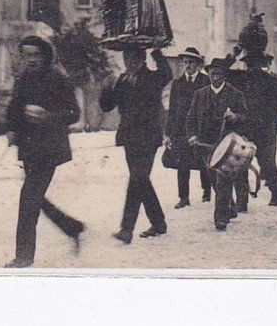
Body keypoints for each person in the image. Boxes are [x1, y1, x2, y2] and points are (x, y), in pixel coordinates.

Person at [5, 36, 85, 267]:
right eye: (26, 55)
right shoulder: (23, 79)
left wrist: (48, 116)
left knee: (28, 199)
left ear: (45, 56)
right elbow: (14, 109)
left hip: (49, 148)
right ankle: (71, 226)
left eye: (36, 55)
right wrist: (11, 128)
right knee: (34, 197)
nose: (31, 60)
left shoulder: (57, 79)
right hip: (29, 147)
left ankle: (24, 256)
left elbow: (73, 114)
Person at [101, 43, 172, 243]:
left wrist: (156, 50)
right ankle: (158, 222)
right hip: (129, 138)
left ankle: (127, 229)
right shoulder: (122, 80)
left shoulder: (153, 77)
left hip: (148, 137)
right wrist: (106, 88)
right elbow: (107, 106)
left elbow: (167, 74)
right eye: (126, 59)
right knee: (141, 180)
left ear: (142, 59)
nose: (129, 62)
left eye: (133, 58)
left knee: (137, 179)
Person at [185, 58, 248, 231]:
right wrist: (192, 135)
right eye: (212, 74)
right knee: (213, 178)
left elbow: (245, 117)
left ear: (225, 75)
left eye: (219, 74)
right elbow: (190, 118)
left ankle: (220, 218)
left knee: (223, 180)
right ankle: (230, 207)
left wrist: (235, 117)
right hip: (205, 144)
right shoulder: (200, 94)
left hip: (227, 145)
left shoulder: (235, 94)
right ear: (208, 74)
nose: (215, 77)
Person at [224, 46, 277, 207]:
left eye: (255, 63)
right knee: (239, 164)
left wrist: (267, 117)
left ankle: (276, 192)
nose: (252, 67)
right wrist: (233, 55)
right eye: (249, 63)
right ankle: (242, 201)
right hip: (244, 127)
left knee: (267, 164)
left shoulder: (272, 80)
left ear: (261, 64)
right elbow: (221, 71)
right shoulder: (239, 78)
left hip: (264, 129)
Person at [164, 47, 211, 207]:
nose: (188, 65)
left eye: (191, 62)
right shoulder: (177, 83)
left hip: (201, 129)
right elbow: (172, 110)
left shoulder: (205, 81)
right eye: (185, 62)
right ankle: (184, 198)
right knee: (182, 163)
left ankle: (206, 190)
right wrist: (168, 133)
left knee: (204, 161)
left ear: (198, 64)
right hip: (181, 129)